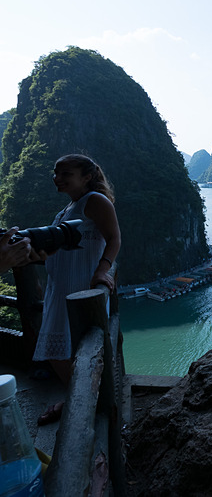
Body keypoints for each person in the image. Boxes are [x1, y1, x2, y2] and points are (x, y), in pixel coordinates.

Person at [34, 154, 121, 425]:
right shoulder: (70, 206)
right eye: (56, 173)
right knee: (65, 352)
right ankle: (79, 401)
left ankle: (83, 403)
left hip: (80, 289)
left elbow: (114, 238)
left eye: (65, 174)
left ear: (86, 177)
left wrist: (102, 270)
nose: (57, 178)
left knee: (63, 352)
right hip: (61, 290)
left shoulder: (95, 201)